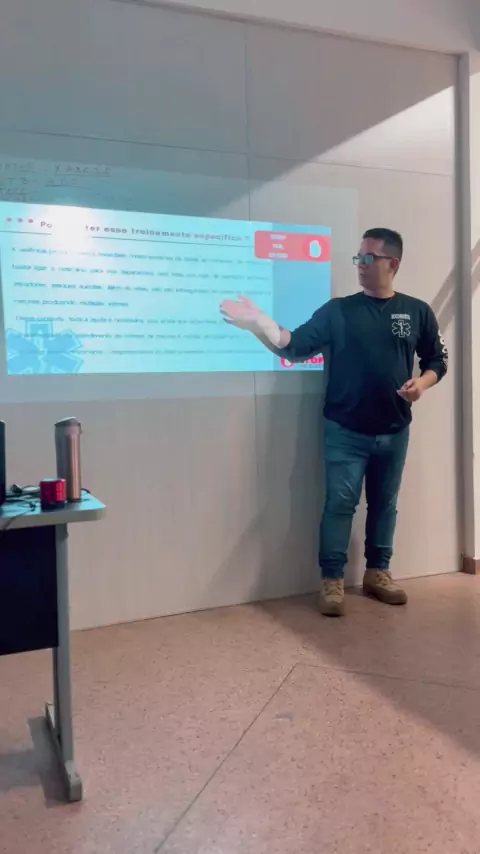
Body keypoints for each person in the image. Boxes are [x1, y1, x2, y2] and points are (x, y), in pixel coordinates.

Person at [220, 228, 448, 617]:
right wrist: (258, 322)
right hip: (345, 431)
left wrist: (422, 384)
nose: (360, 264)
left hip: (394, 430)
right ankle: (332, 579)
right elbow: (292, 345)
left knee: (385, 505)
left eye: (368, 257)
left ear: (392, 264)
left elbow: (437, 360)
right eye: (358, 257)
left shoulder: (416, 311)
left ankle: (378, 572)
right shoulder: (338, 311)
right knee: (340, 504)